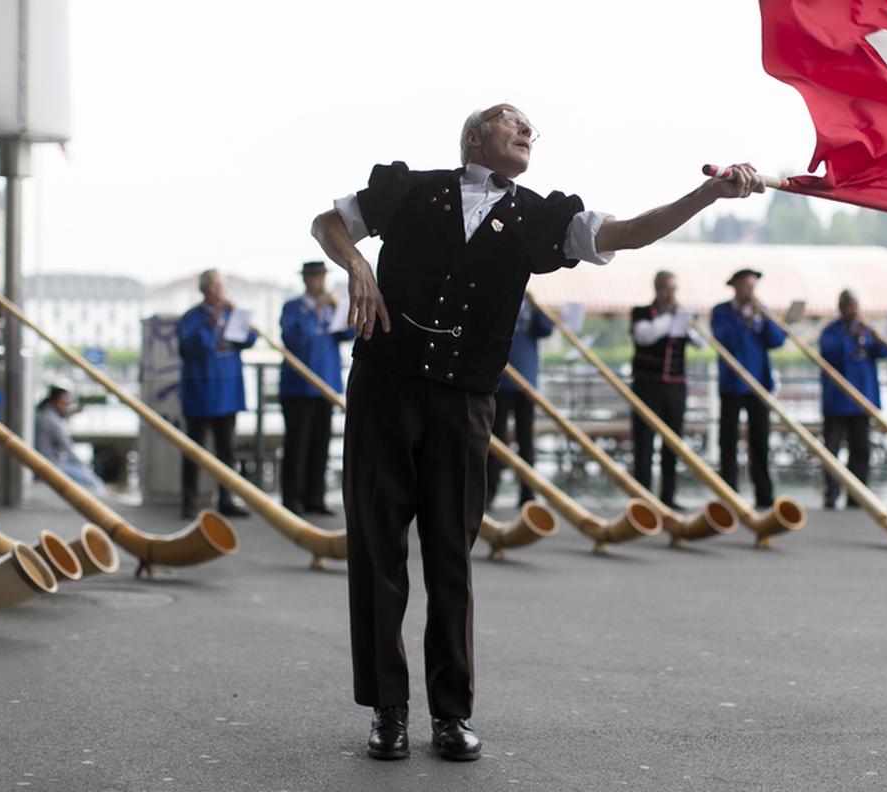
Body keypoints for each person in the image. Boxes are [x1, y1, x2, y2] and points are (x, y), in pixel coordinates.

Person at [311, 102, 762, 762]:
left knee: (450, 559)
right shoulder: (408, 189)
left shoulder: (536, 215)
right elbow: (327, 224)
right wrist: (356, 263)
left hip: (466, 402)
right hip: (384, 387)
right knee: (377, 551)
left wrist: (708, 193)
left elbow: (630, 233)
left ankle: (450, 713)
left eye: (532, 129)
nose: (530, 133)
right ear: (475, 136)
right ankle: (388, 709)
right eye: (513, 123)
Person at [177, 269, 256, 519]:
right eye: (212, 286)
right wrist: (215, 322)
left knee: (227, 451)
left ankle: (226, 499)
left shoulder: (233, 313)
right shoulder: (192, 317)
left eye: (220, 285)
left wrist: (237, 316)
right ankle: (189, 501)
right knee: (194, 451)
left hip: (227, 393)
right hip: (200, 393)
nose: (218, 290)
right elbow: (189, 345)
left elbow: (250, 338)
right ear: (203, 290)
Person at [278, 260, 354, 516]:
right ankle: (292, 497)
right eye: (314, 277)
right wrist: (316, 313)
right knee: (297, 443)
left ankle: (315, 497)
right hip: (298, 386)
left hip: (326, 386)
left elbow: (350, 334)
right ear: (305, 280)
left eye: (322, 277)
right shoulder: (293, 308)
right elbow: (295, 339)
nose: (318, 282)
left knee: (320, 444)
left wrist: (339, 311)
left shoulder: (333, 307)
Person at [710, 268, 784, 509]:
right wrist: (745, 320)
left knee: (760, 440)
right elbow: (724, 338)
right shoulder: (721, 312)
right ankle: (728, 493)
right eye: (746, 286)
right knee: (728, 441)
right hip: (732, 383)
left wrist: (763, 320)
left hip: (759, 385)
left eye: (753, 287)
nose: (750, 292)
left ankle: (764, 495)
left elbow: (777, 341)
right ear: (735, 287)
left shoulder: (762, 312)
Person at [630, 271, 703, 508]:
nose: (671, 295)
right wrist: (671, 319)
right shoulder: (641, 312)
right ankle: (642, 497)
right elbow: (644, 336)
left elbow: (701, 342)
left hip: (676, 387)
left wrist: (687, 322)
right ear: (658, 290)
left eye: (673, 290)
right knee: (644, 441)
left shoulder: (682, 315)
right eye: (667, 289)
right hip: (647, 385)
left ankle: (669, 496)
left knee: (673, 441)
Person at [817, 290, 887, 509]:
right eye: (848, 306)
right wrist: (850, 336)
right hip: (837, 401)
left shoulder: (867, 331)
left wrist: (875, 336)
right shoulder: (831, 331)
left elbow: (885, 353)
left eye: (855, 305)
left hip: (862, 400)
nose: (852, 310)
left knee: (861, 449)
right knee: (832, 449)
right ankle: (832, 493)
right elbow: (830, 352)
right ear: (841, 307)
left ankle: (857, 495)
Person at [486, 297, 552, 507]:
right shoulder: (501, 297)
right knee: (496, 440)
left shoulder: (533, 306)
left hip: (526, 384)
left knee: (526, 441)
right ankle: (490, 492)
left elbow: (546, 329)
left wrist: (536, 309)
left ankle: (527, 493)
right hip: (500, 381)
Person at [33, 386, 104, 495]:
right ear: (53, 401)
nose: (66, 406)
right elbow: (67, 447)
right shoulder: (50, 419)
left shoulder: (46, 415)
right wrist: (84, 466)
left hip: (51, 462)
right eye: (64, 403)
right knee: (96, 484)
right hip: (51, 464)